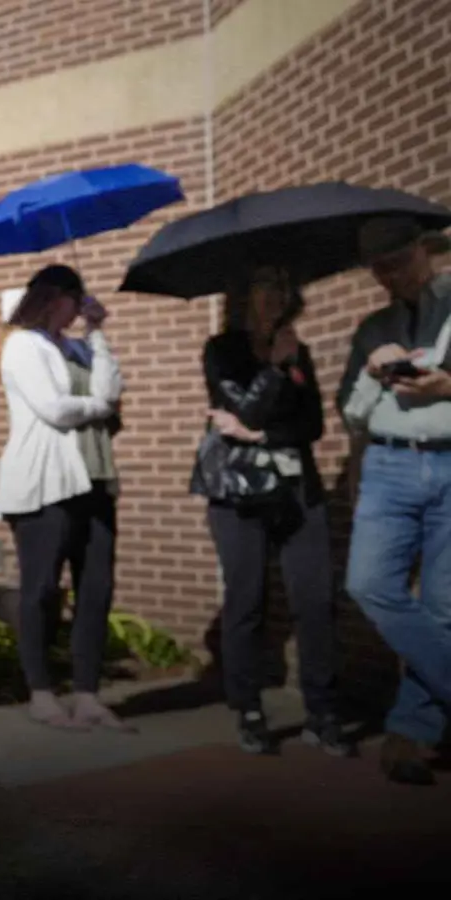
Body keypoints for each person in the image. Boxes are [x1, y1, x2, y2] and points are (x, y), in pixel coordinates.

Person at [195, 266, 345, 756]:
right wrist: (277, 370)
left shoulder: (295, 348)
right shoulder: (222, 351)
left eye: (283, 288)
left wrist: (262, 435)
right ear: (245, 295)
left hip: (296, 486)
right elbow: (243, 411)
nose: (276, 298)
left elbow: (314, 425)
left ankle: (323, 712)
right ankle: (250, 709)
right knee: (248, 599)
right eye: (265, 287)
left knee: (315, 600)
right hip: (238, 491)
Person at [337, 216, 451, 786]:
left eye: (399, 261)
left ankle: (410, 734)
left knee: (443, 608)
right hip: (389, 463)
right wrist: (374, 370)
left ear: (424, 250)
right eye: (379, 267)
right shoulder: (371, 326)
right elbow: (350, 415)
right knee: (369, 583)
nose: (390, 276)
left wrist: (447, 386)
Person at [0, 264, 128, 732]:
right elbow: (54, 409)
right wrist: (98, 408)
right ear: (55, 298)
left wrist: (98, 333)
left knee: (96, 590)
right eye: (78, 299)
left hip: (94, 478)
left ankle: (88, 696)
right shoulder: (22, 345)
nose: (80, 306)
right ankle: (41, 693)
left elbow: (112, 389)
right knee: (42, 590)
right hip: (44, 483)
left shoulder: (76, 345)